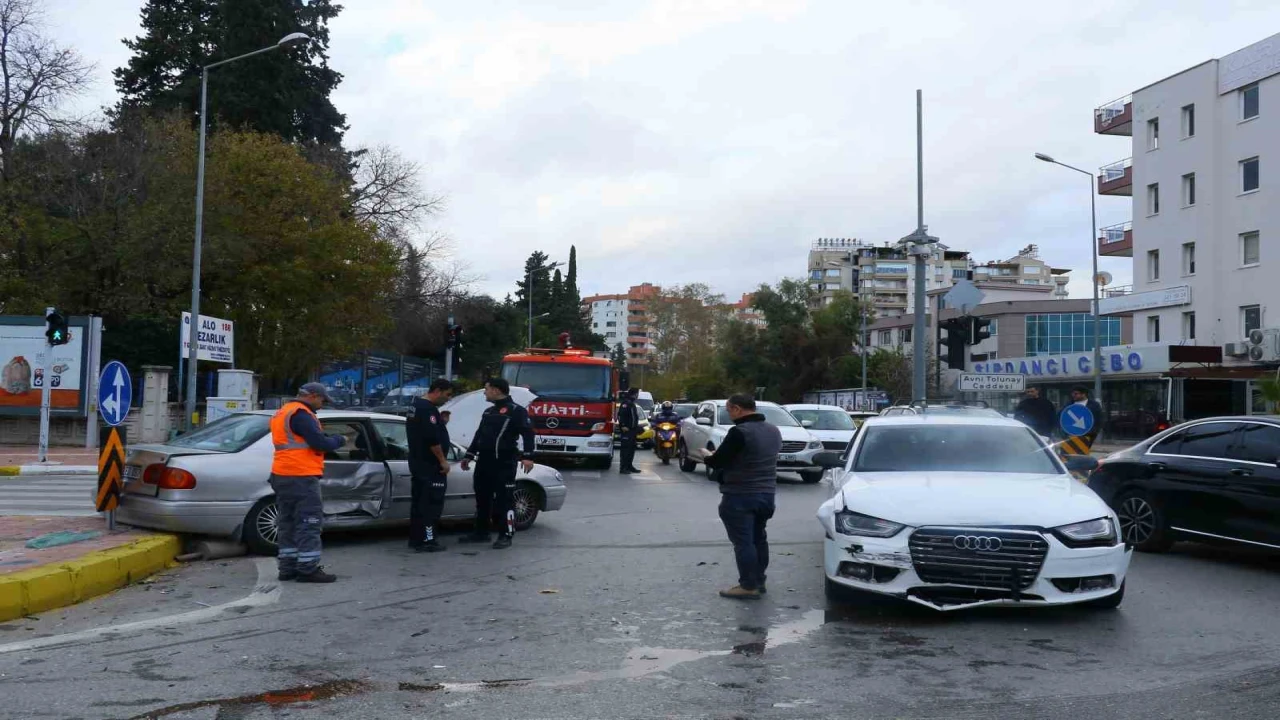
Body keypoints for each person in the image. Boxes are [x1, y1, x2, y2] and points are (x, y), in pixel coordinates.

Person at [704, 394, 782, 600]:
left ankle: (748, 586)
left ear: (738, 409)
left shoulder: (739, 432)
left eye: (729, 410)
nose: (729, 415)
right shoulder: (774, 431)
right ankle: (759, 580)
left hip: (740, 495)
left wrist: (706, 455)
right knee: (759, 538)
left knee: (743, 542)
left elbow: (717, 461)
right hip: (767, 495)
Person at [269, 383, 346, 583]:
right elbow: (319, 443)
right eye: (322, 400)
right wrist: (339, 440)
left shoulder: (283, 412)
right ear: (312, 396)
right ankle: (308, 569)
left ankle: (287, 568)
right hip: (301, 475)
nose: (322, 404)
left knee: (287, 523)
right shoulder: (302, 414)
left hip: (282, 474)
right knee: (309, 523)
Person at [459, 378, 536, 549]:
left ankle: (505, 535)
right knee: (482, 498)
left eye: (486, 389)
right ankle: (481, 532)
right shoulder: (488, 412)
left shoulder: (517, 411)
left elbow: (528, 433)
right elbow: (479, 435)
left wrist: (528, 456)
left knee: (504, 500)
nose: (484, 393)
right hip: (484, 462)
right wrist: (469, 455)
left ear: (496, 390)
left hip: (504, 462)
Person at [406, 378, 456, 553]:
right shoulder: (427, 409)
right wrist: (443, 460)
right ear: (438, 391)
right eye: (447, 394)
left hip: (419, 464)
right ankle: (429, 539)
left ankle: (416, 539)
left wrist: (441, 423)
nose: (448, 399)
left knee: (419, 503)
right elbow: (431, 439)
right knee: (431, 505)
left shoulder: (416, 406)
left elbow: (425, 430)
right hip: (430, 466)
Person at [616, 388, 642, 474]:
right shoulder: (626, 403)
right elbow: (621, 415)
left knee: (631, 449)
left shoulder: (632, 403)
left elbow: (633, 417)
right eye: (637, 394)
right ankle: (623, 467)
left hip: (632, 430)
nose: (637, 396)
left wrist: (636, 427)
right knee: (625, 450)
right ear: (634, 394)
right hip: (627, 430)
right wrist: (623, 425)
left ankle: (629, 466)